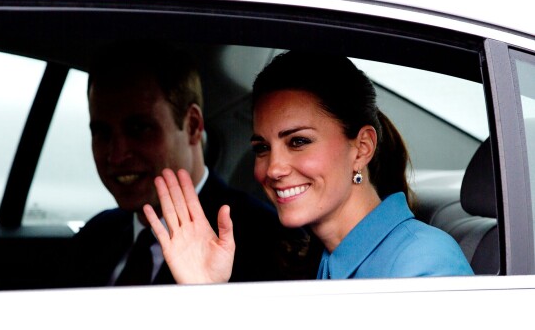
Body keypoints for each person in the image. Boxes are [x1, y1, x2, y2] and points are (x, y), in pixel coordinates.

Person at [143, 50, 474, 284]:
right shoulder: (318, 259)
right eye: (262, 148)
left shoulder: (424, 264)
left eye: (298, 141)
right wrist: (208, 295)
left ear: (362, 148)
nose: (273, 168)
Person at [57, 42, 321, 288]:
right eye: (102, 133)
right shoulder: (95, 237)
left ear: (193, 125)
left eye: (140, 129)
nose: (116, 155)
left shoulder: (267, 240)